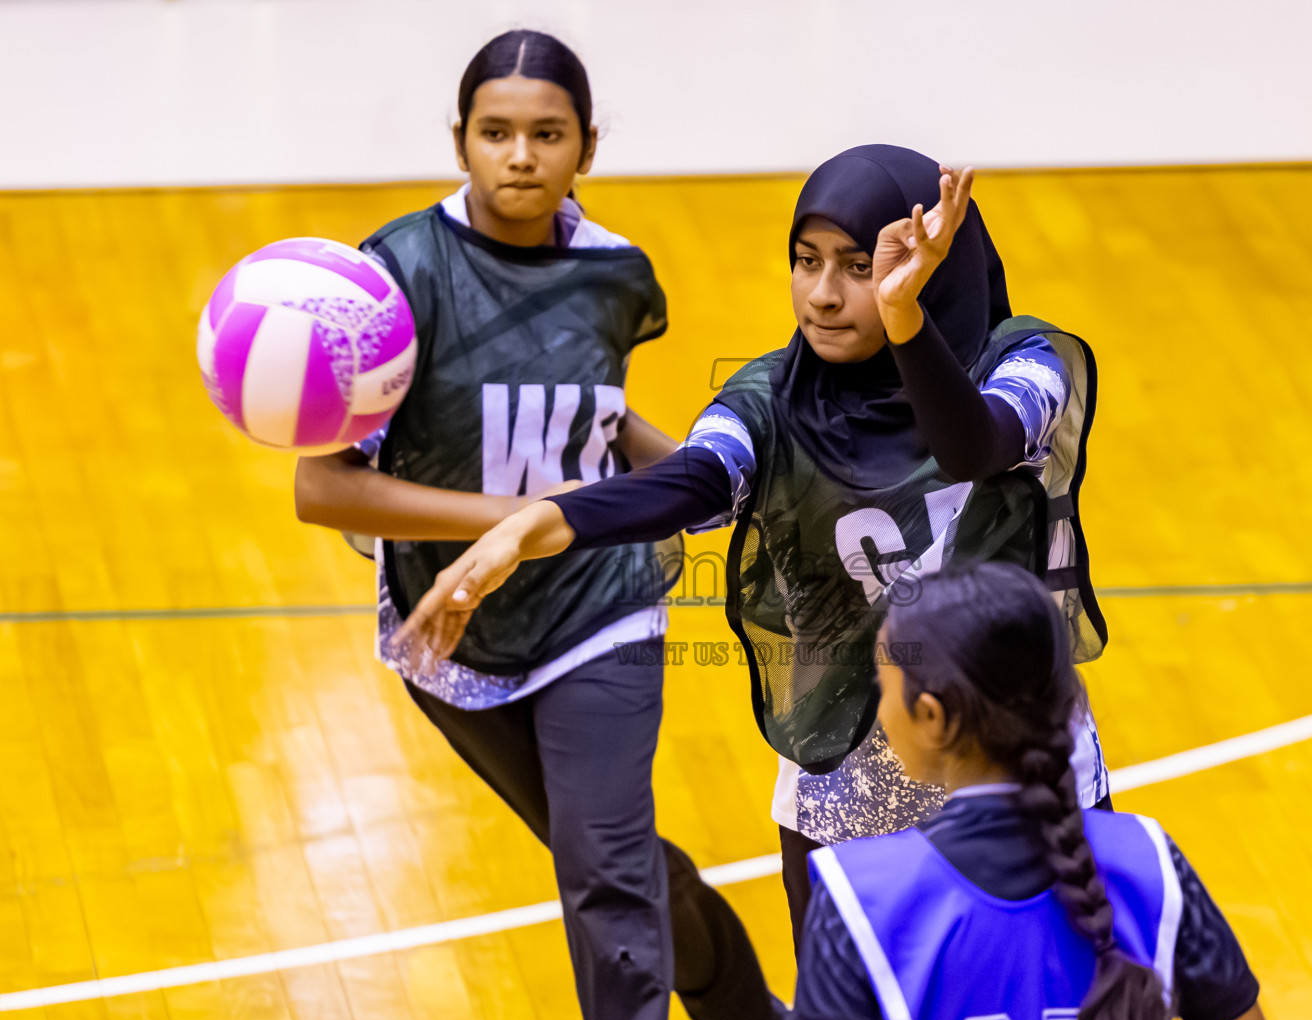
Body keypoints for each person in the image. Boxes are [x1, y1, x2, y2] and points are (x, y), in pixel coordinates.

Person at [394, 144, 1110, 948]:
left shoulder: (1026, 363)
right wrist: (539, 524)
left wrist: (904, 318)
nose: (825, 296)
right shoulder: (771, 400)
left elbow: (974, 446)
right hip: (848, 791)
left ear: (933, 270)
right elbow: (697, 481)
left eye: (859, 268)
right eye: (807, 263)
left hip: (1024, 774)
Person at [292, 29, 777, 1020]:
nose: (521, 155)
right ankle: (744, 1005)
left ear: (586, 148)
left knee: (602, 873)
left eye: (546, 133)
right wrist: (515, 518)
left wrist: (701, 480)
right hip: (449, 624)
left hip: (602, 605)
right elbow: (323, 488)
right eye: (496, 132)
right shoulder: (397, 274)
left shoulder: (618, 273)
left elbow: (593, 411)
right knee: (612, 857)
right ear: (460, 142)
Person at [795, 562, 1264, 1020]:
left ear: (933, 717)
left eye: (884, 684)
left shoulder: (861, 898)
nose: (880, 708)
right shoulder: (1150, 860)